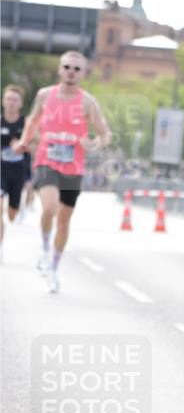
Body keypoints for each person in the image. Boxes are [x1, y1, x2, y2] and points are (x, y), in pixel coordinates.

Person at [14, 50, 112, 293]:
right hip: (47, 161)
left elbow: (104, 134)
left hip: (73, 167)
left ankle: (54, 267)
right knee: (49, 207)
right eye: (67, 67)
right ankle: (45, 249)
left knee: (65, 221)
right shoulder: (45, 95)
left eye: (76, 69)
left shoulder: (88, 102)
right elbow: (33, 121)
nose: (71, 72)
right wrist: (24, 141)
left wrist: (94, 144)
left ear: (83, 74)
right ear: (59, 69)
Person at [1, 85, 28, 260]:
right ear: (3, 101)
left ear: (20, 104)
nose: (11, 103)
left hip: (18, 171)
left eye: (14, 100)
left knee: (11, 214)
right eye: (8, 99)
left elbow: (36, 144)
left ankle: (17, 208)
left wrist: (22, 146)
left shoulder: (26, 124)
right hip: (0, 170)